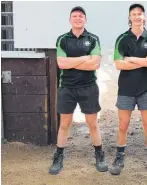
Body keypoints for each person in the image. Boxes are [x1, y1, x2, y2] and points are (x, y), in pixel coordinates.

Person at [49, 6, 108, 175]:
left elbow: (95, 64)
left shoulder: (93, 39)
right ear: (70, 20)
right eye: (74, 16)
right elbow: (61, 64)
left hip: (88, 87)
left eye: (81, 16)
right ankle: (58, 157)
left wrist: (72, 61)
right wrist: (84, 58)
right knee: (64, 124)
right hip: (67, 87)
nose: (78, 18)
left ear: (85, 20)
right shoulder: (62, 39)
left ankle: (99, 155)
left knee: (93, 124)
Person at [109, 3, 147, 176]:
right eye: (134, 14)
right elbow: (118, 64)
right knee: (123, 125)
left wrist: (131, 59)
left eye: (140, 13)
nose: (137, 16)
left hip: (146, 88)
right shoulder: (122, 38)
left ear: (144, 17)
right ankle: (119, 158)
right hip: (125, 89)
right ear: (129, 17)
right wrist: (143, 61)